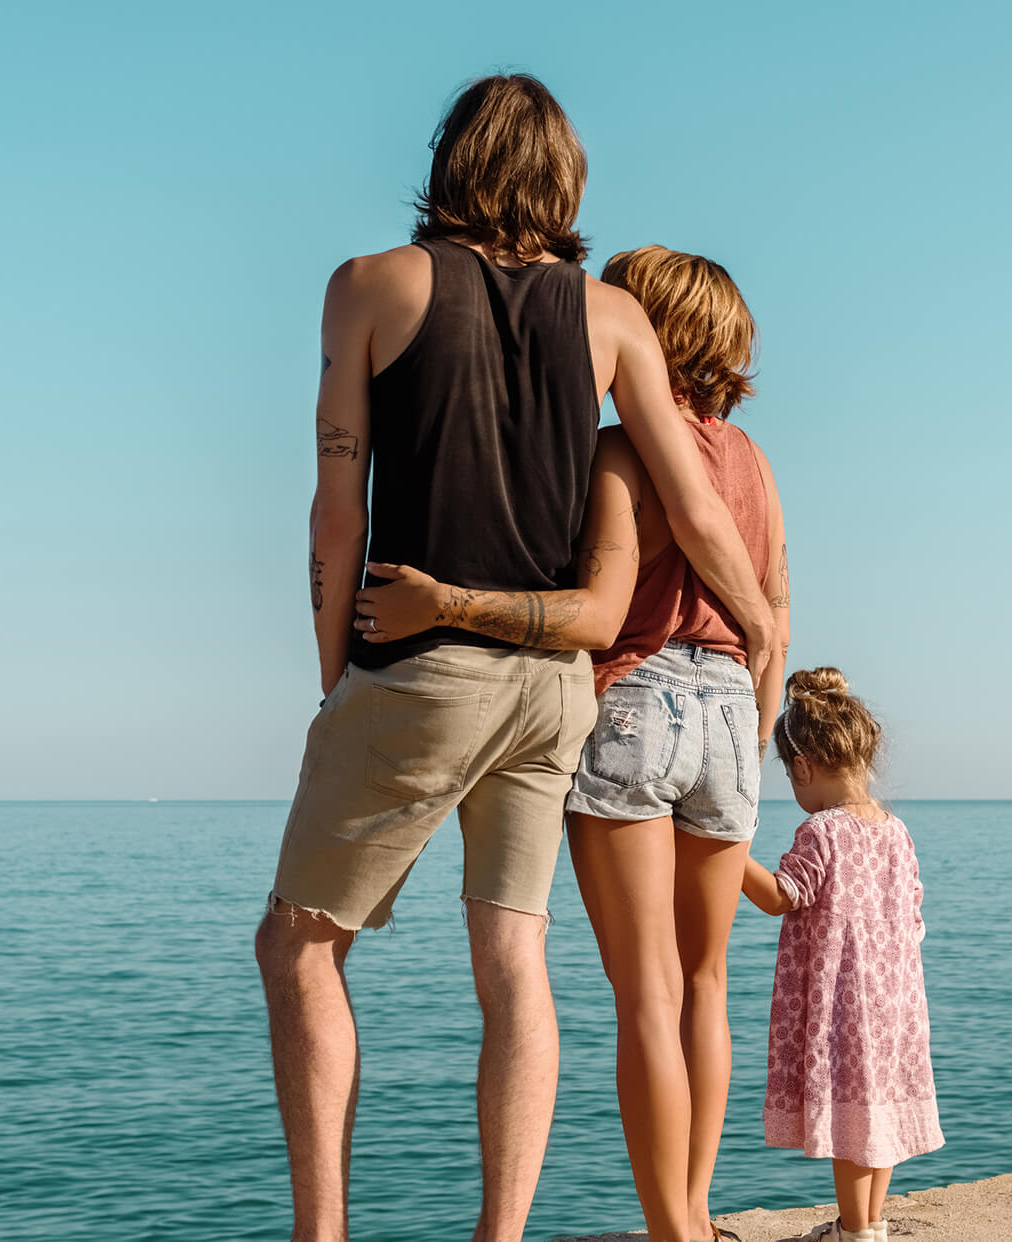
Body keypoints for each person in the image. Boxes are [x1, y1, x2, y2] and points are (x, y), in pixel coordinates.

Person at [253, 75, 775, 1242]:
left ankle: (321, 1233)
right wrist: (762, 628)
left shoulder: (369, 286)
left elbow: (337, 509)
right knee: (513, 958)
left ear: (450, 160)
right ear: (564, 177)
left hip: (424, 666)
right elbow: (696, 510)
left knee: (297, 944)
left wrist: (335, 667)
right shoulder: (610, 316)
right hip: (554, 698)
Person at [356, 244, 789, 1242]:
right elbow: (775, 613)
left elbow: (599, 602)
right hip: (732, 708)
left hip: (639, 699)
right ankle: (700, 1213)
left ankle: (671, 1233)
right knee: (707, 986)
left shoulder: (621, 450)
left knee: (646, 992)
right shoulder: (757, 465)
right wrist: (752, 738)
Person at [741, 669, 943, 1242]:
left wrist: (728, 854)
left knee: (852, 1126)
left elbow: (782, 896)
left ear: (803, 765)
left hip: (846, 1007)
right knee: (877, 1118)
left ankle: (856, 1234)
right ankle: (867, 1223)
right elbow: (914, 916)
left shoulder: (821, 830)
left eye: (789, 774)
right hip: (897, 1004)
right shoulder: (896, 831)